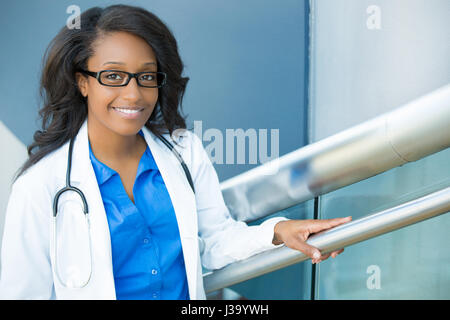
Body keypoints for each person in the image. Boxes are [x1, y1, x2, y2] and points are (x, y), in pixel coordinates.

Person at [0, 4, 351, 300]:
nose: (134, 94)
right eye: (114, 76)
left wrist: (278, 231)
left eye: (146, 76)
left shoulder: (184, 151)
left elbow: (216, 240)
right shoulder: (40, 188)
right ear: (82, 82)